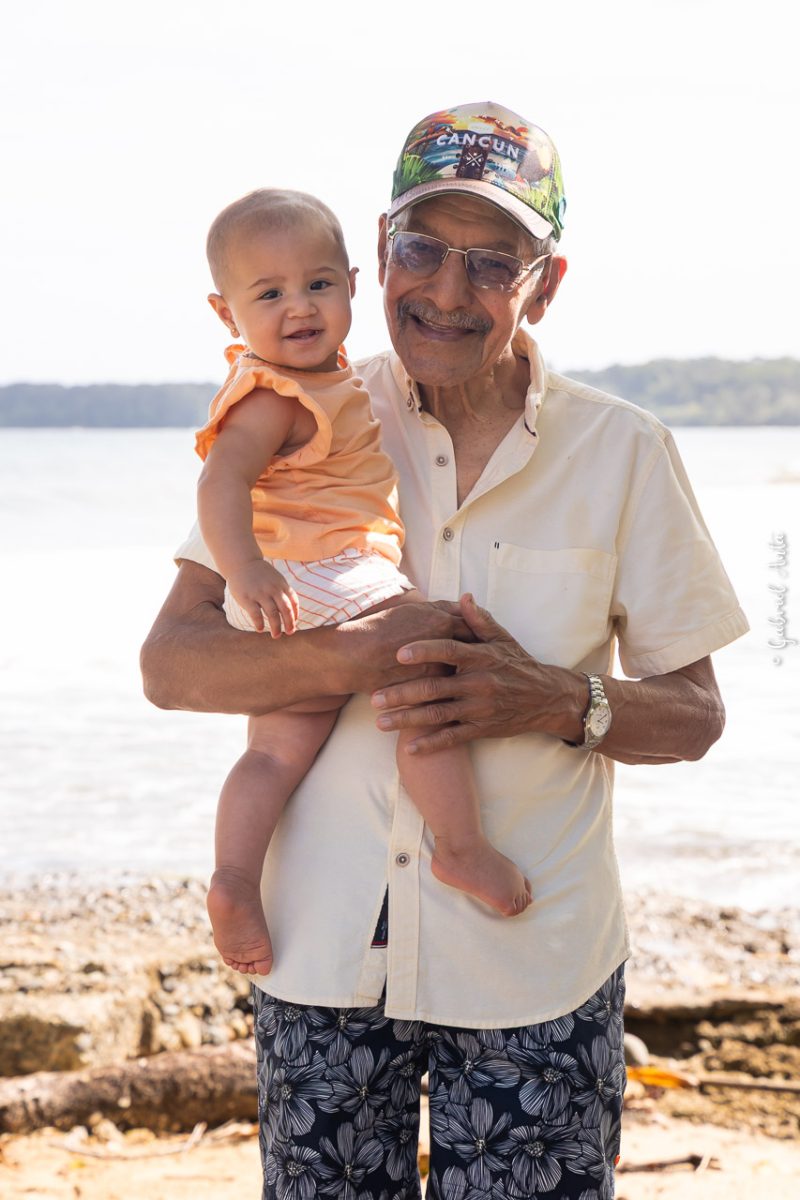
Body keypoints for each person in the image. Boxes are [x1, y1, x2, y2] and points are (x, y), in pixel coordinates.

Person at [142, 101, 748, 1200]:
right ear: (380, 254)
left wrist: (552, 698)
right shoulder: (302, 412)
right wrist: (359, 655)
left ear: (543, 286)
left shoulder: (625, 451)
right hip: (318, 956)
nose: (447, 291)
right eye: (423, 250)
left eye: (492, 263)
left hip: (535, 967)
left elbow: (696, 716)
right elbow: (171, 665)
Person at [197, 188, 531, 978]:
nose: (299, 307)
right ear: (225, 313)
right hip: (327, 573)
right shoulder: (276, 396)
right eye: (269, 294)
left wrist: (255, 576)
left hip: (293, 584)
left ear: (353, 285)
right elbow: (220, 482)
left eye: (318, 284)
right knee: (429, 672)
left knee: (275, 752)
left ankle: (234, 877)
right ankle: (460, 845)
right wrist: (243, 568)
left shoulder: (313, 380)